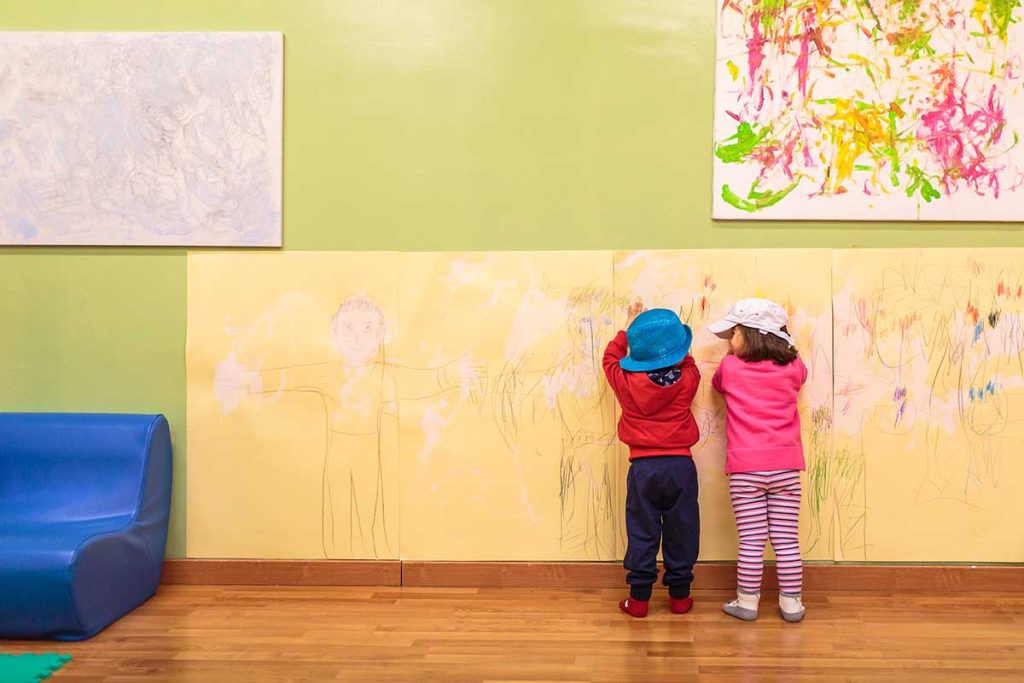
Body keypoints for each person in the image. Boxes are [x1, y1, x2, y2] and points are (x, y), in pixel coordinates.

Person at [709, 298, 808, 623]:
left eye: (733, 333)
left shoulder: (730, 368)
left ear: (748, 335)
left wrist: (733, 358)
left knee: (751, 538)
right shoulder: (792, 367)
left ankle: (747, 602)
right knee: (785, 538)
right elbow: (802, 374)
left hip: (745, 469)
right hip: (786, 467)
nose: (729, 340)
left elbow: (718, 385)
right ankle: (791, 604)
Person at [603, 303, 701, 618]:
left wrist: (627, 334)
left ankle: (640, 599)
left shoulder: (623, 381)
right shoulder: (688, 379)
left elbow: (609, 357)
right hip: (680, 467)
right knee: (682, 528)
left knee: (642, 530)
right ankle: (680, 597)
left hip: (642, 469)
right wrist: (673, 344)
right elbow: (687, 358)